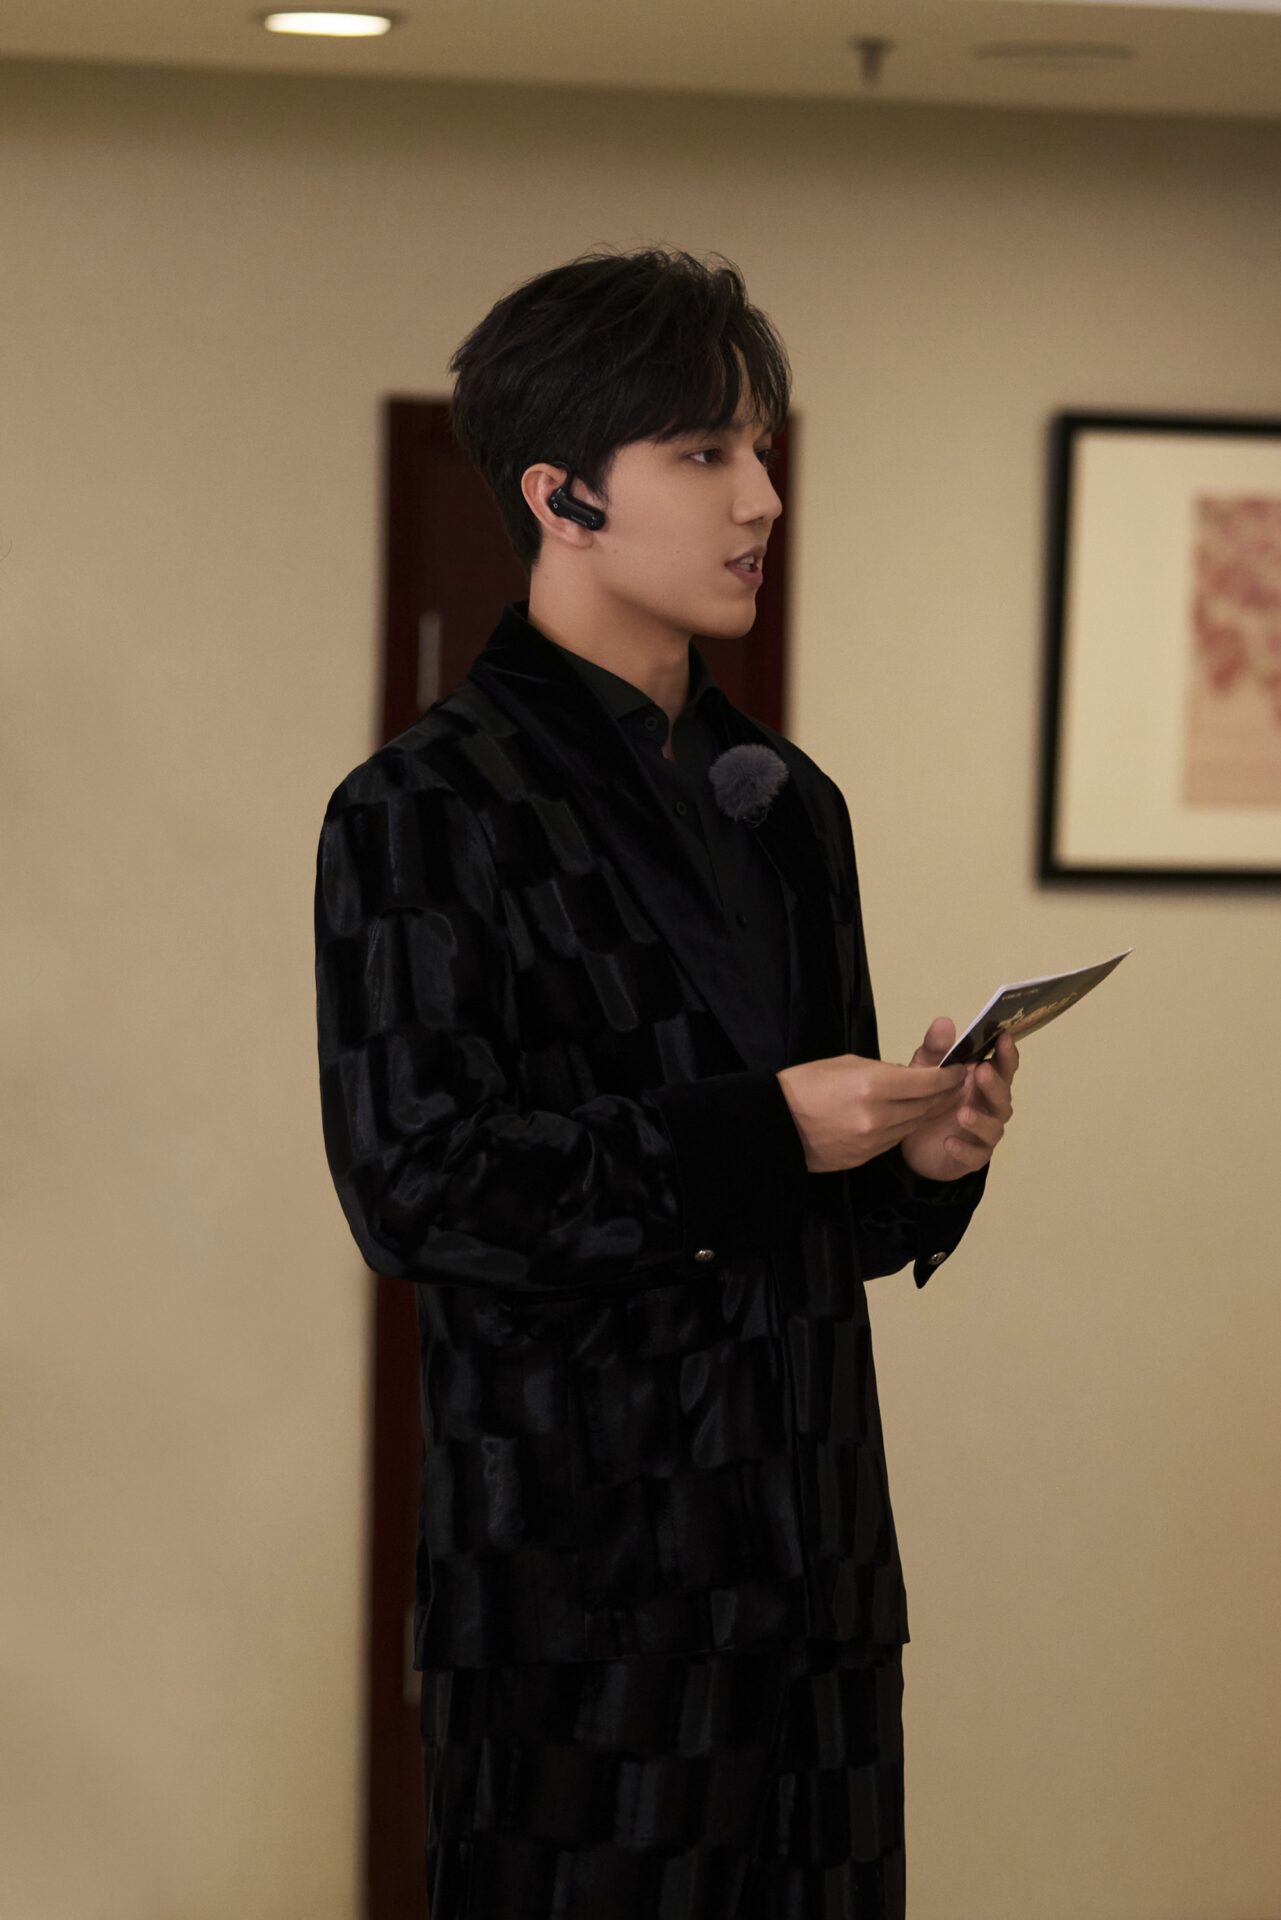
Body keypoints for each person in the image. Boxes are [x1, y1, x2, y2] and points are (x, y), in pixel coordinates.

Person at [313, 244, 1018, 1920]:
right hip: (577, 1597)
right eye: (704, 453)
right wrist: (765, 1127)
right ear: (560, 494)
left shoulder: (790, 804)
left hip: (814, 1571)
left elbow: (811, 1217)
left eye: (758, 448)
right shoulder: (420, 808)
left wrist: (919, 1163)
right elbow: (418, 1185)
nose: (760, 498)